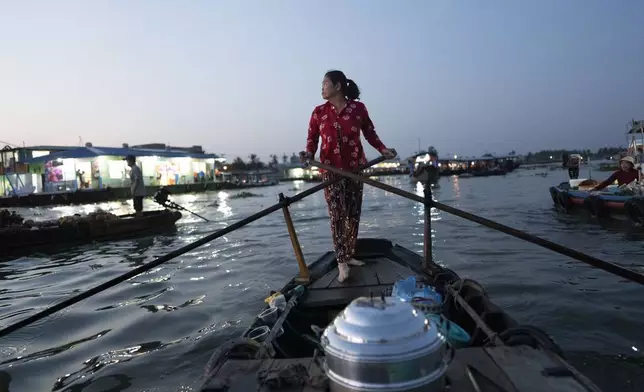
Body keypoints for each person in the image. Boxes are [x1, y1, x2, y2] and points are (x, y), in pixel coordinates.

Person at [300, 70, 396, 283]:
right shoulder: (318, 112)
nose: (322, 88)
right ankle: (341, 261)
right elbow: (312, 139)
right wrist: (308, 154)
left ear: (338, 86)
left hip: (354, 169)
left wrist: (383, 149)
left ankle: (349, 254)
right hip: (331, 172)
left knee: (352, 214)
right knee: (337, 214)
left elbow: (369, 132)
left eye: (325, 83)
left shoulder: (358, 109)